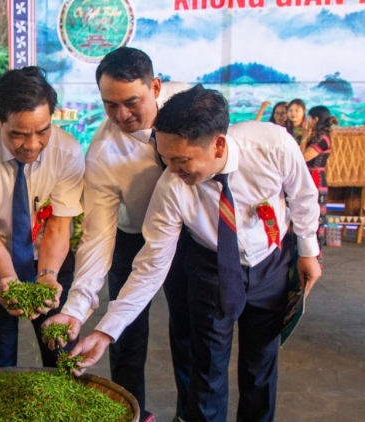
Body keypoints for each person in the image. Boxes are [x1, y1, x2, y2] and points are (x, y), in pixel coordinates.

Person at [66, 85, 321, 422]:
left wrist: (307, 251)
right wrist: (105, 331)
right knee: (207, 369)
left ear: (218, 144)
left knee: (260, 366)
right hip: (211, 267)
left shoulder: (272, 145)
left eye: (181, 160)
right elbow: (150, 267)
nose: (171, 170)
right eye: (165, 158)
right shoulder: (171, 188)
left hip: (270, 262)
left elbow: (303, 196)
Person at [41, 47, 190, 422]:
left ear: (155, 87)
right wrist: (75, 309)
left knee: (192, 334)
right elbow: (97, 238)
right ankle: (132, 414)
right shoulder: (103, 153)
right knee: (124, 337)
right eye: (110, 105)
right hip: (133, 238)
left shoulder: (189, 105)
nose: (122, 115)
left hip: (193, 238)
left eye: (131, 102)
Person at [0, 66, 85, 370]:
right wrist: (8, 278)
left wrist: (48, 276)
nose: (32, 145)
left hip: (51, 257)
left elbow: (58, 226)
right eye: (18, 134)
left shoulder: (67, 151)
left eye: (43, 131)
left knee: (61, 354)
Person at [300, 105, 337, 264]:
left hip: (316, 180)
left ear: (316, 119)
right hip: (310, 178)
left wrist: (304, 137)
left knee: (315, 219)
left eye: (309, 118)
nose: (307, 121)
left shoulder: (322, 138)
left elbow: (303, 157)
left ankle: (315, 259)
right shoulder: (317, 136)